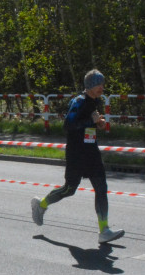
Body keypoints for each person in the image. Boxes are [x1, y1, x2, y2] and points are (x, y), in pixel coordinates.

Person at [30, 69, 124, 244]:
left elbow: (87, 125)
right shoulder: (79, 101)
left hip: (91, 152)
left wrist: (98, 124)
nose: (102, 88)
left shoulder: (94, 102)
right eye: (99, 84)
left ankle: (104, 231)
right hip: (77, 153)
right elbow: (68, 125)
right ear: (90, 85)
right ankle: (41, 204)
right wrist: (91, 121)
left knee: (101, 187)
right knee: (69, 189)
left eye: (103, 84)